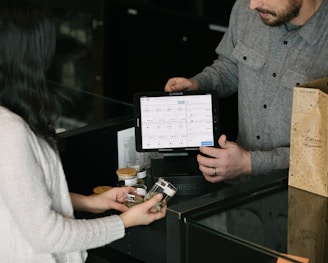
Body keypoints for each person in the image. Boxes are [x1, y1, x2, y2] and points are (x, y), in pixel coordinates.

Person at [0, 1, 166, 262]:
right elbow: (47, 235)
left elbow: (23, 196)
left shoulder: (10, 117)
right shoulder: (10, 131)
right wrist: (124, 222)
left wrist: (91, 202)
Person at [165, 0, 328, 183]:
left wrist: (251, 163)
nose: (252, 5)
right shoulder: (246, 9)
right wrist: (199, 84)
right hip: (239, 190)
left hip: (302, 196)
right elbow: (231, 67)